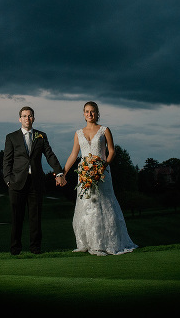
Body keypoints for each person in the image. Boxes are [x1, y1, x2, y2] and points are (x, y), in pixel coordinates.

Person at [63, 101, 138, 255]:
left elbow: (111, 151)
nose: (90, 114)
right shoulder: (78, 133)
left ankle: (108, 242)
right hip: (84, 174)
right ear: (83, 114)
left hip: (102, 173)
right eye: (87, 111)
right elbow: (73, 155)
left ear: (97, 113)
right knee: (88, 206)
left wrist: (102, 166)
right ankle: (90, 243)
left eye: (92, 111)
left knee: (105, 205)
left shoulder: (105, 130)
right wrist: (63, 172)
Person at [3, 106, 66, 255]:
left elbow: (49, 155)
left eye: (30, 116)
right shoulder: (11, 137)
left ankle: (35, 248)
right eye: (24, 116)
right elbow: (7, 161)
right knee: (17, 217)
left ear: (34, 118)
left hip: (36, 182)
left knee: (35, 218)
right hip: (16, 182)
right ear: (20, 119)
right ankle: (15, 249)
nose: (27, 118)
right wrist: (7, 180)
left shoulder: (41, 136)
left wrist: (59, 172)